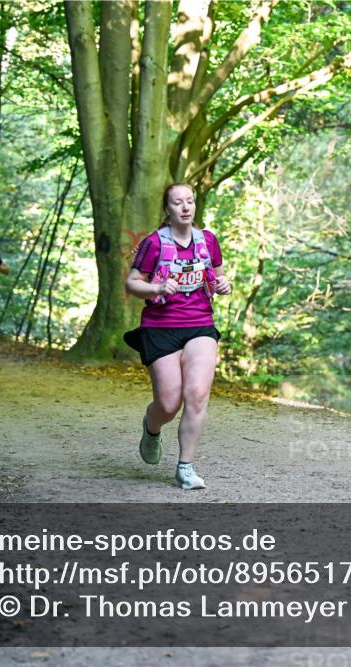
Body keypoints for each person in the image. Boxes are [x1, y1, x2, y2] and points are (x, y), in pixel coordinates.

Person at [124, 183, 232, 490]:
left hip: (200, 325)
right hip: (161, 327)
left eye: (189, 201)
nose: (185, 207)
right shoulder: (154, 243)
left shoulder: (207, 240)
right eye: (177, 202)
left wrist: (225, 285)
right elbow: (133, 283)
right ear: (167, 209)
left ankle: (185, 467)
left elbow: (220, 275)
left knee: (196, 395)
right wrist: (157, 288)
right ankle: (152, 427)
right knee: (169, 404)